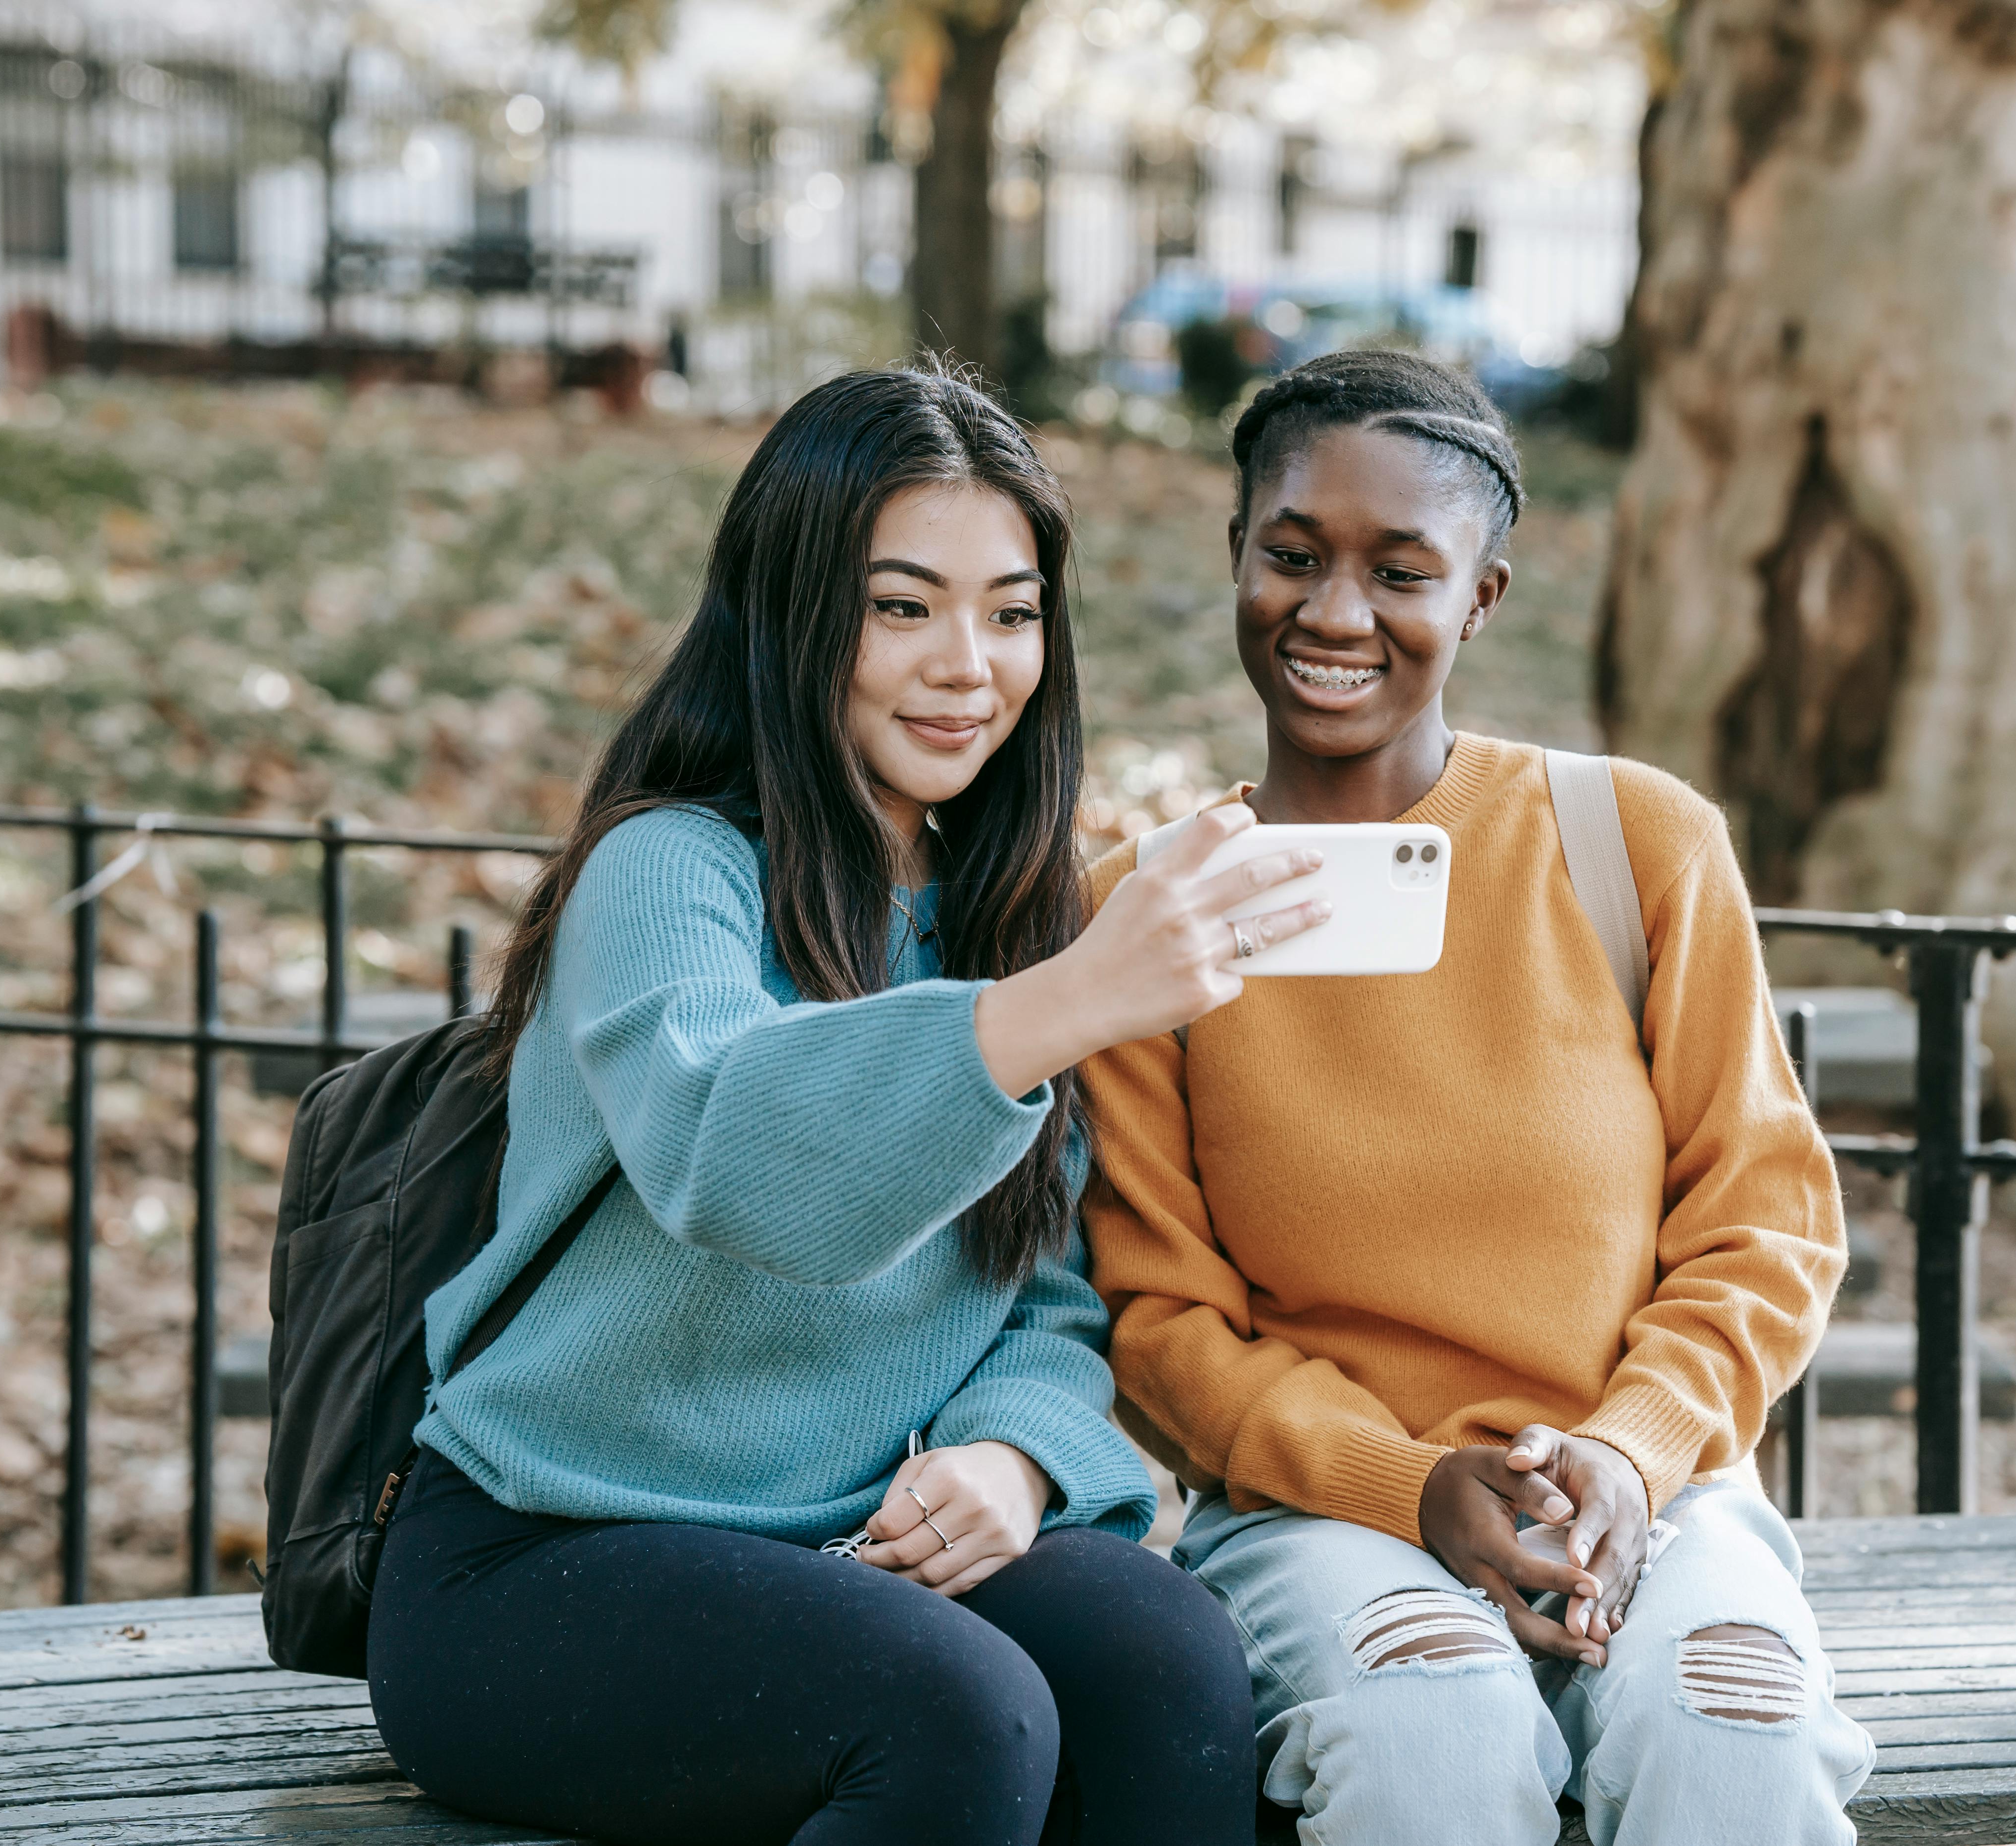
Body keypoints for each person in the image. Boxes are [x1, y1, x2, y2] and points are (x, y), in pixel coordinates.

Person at [366, 365, 1330, 1846]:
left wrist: (1013, 1459)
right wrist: (1062, 1004)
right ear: (792, 609)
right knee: (959, 1711)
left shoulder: (1004, 916)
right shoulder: (669, 871)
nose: (968, 664)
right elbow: (730, 1160)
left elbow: (1046, 1298)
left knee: (1162, 1654)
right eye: (902, 606)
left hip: (860, 1537)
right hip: (546, 1559)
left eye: (1011, 612)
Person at [1079, 350, 1877, 1845]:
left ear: (1481, 597)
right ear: (1237, 560)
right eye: (1292, 555)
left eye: (1400, 569)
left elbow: (1764, 1222)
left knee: (1732, 1735)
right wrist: (1411, 1483)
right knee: (1430, 1731)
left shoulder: (1632, 842)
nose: (1333, 612)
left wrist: (1631, 1453)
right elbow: (1158, 1320)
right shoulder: (1144, 910)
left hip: (1651, 1498)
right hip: (1321, 1518)